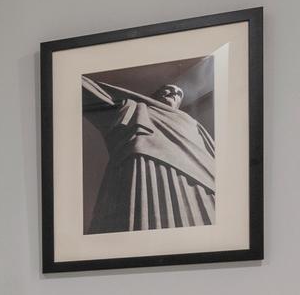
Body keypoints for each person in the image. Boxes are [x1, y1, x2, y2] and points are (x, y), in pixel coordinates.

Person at [81, 76, 216, 232]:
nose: (173, 91)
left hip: (202, 186)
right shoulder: (134, 107)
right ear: (153, 95)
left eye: (178, 93)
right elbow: (89, 92)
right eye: (167, 88)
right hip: (145, 173)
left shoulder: (195, 125)